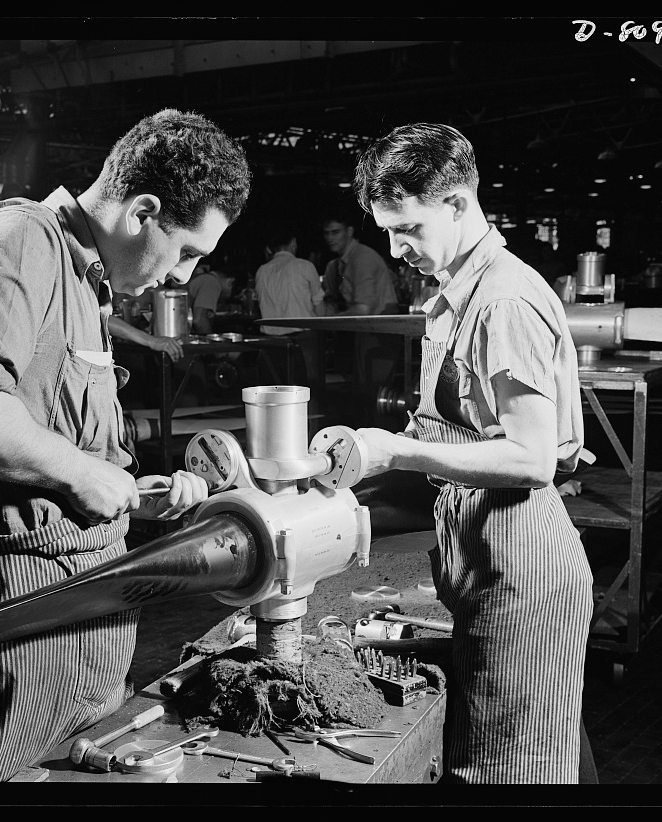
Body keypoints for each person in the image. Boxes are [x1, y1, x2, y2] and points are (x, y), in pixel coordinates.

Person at [0, 108, 251, 782]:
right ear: (143, 210)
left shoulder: (86, 277)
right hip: (23, 600)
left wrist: (130, 496)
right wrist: (78, 475)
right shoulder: (21, 239)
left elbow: (51, 435)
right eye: (186, 252)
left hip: (84, 590)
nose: (181, 277)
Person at [350, 122, 597, 784]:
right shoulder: (454, 299)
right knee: (509, 755)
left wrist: (395, 451)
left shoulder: (504, 301)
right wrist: (357, 475)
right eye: (387, 232)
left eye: (408, 230)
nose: (397, 249)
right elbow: (449, 436)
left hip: (524, 570)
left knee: (505, 773)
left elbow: (530, 458)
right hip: (486, 562)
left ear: (458, 204)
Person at [321, 208, 402, 418]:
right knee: (364, 394)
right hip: (366, 330)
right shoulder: (339, 263)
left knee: (374, 396)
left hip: (380, 330)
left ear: (349, 231)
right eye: (327, 233)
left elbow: (363, 309)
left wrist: (324, 319)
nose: (330, 238)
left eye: (335, 232)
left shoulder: (362, 257)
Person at [253, 222, 326, 385]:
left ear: (270, 249)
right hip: (302, 340)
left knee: (275, 393)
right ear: (293, 243)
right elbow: (319, 307)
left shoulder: (261, 271)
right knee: (307, 390)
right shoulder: (305, 266)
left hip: (270, 342)